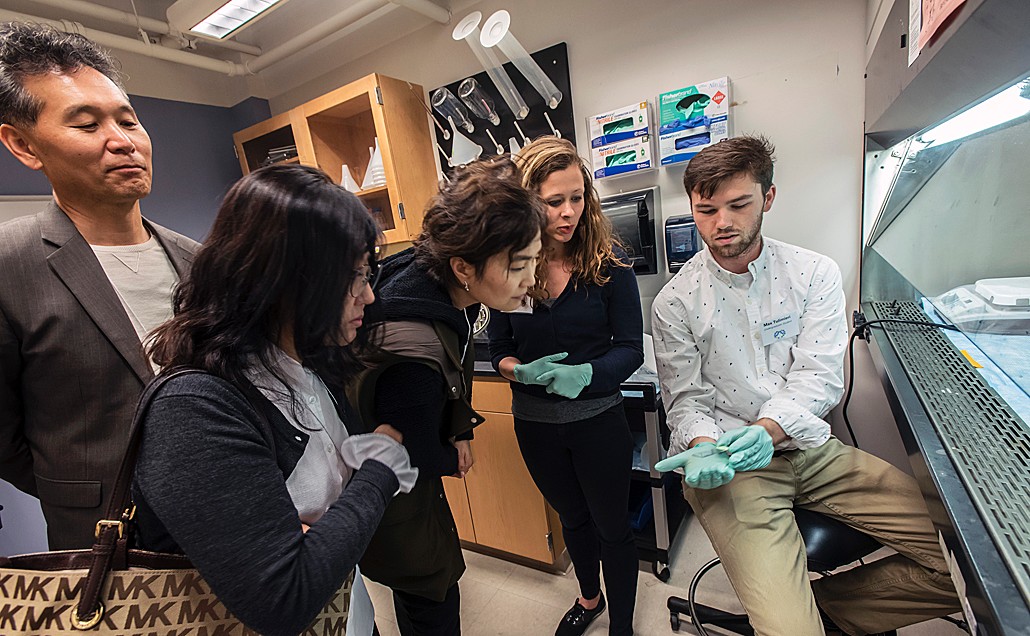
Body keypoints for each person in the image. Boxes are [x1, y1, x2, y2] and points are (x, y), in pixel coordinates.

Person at [652, 135, 961, 635]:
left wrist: (769, 430)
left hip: (812, 449)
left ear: (767, 198)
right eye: (706, 210)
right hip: (730, 467)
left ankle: (818, 606)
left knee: (971, 562)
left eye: (737, 204)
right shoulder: (675, 302)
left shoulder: (813, 272)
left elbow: (819, 378)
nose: (721, 223)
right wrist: (705, 448)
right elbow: (686, 401)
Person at [131, 163, 417, 636]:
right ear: (282, 281)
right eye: (354, 277)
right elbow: (282, 598)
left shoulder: (307, 363)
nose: (369, 295)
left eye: (370, 273)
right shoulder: (194, 410)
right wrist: (380, 470)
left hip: (344, 610)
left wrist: (319, 540)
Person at [0, 22, 197, 550]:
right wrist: (78, 489)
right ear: (24, 145)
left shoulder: (196, 259)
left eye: (129, 121)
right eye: (87, 125)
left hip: (228, 522)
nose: (122, 141)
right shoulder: (8, 265)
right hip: (106, 545)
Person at [350, 157, 543, 636]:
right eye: (518, 266)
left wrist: (458, 430)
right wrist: (445, 454)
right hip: (393, 491)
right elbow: (408, 444)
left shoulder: (432, 282)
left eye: (535, 260)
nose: (531, 280)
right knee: (431, 592)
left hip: (404, 477)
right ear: (463, 266)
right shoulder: (409, 338)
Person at [487, 137, 643, 636]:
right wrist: (518, 371)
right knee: (574, 521)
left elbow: (630, 348)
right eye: (555, 201)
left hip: (598, 423)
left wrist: (589, 376)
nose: (569, 211)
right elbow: (499, 349)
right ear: (530, 201)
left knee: (612, 529)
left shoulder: (610, 266)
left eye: (577, 197)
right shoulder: (511, 269)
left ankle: (622, 626)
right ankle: (589, 599)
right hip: (536, 427)